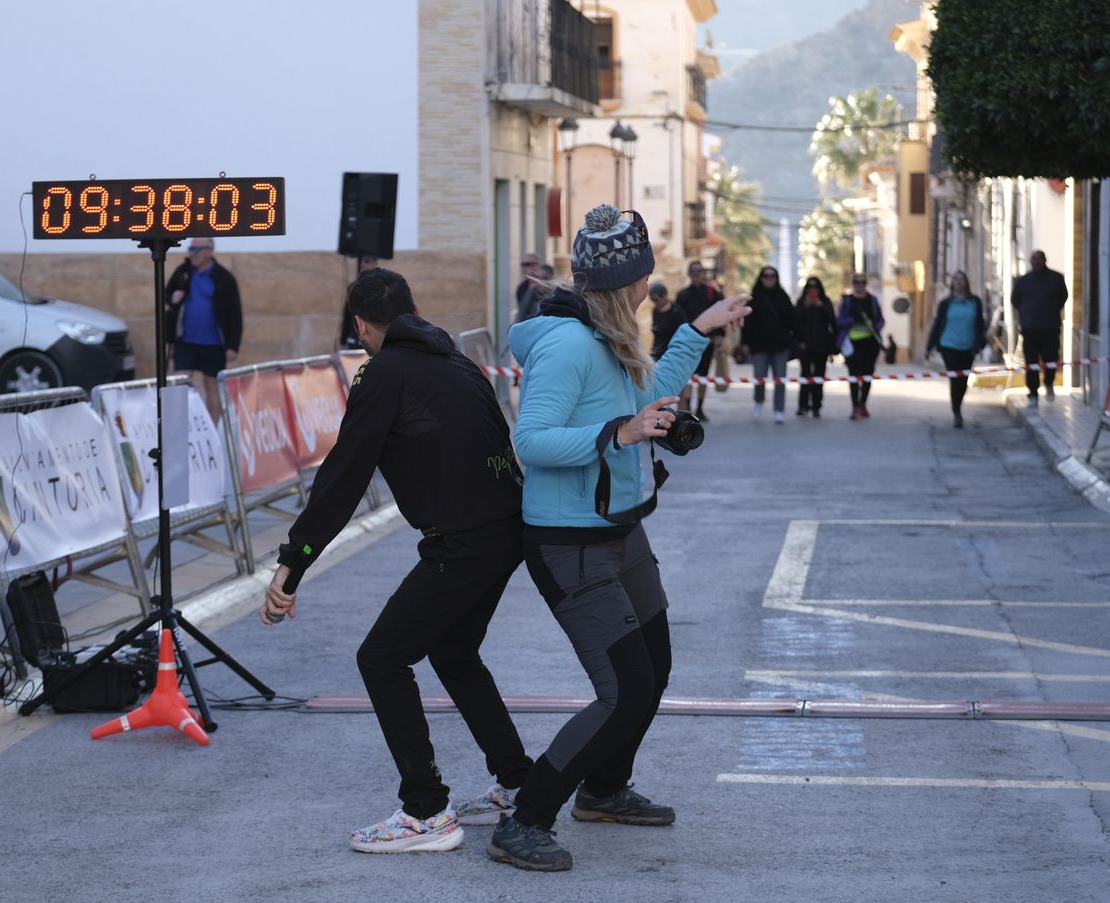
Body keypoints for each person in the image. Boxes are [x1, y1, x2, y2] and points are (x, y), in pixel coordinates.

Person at [495, 204, 747, 872]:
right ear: (621, 281)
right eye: (640, 278)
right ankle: (526, 818)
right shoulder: (570, 345)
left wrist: (696, 330)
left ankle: (604, 789)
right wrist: (618, 435)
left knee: (655, 667)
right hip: (568, 542)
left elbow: (650, 392)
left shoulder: (609, 334)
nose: (646, 288)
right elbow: (532, 440)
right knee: (623, 688)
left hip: (619, 529)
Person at [262, 268, 534, 855]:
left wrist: (293, 562)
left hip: (462, 540)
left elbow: (342, 476)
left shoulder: (382, 373)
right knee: (454, 652)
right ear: (412, 309)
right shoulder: (458, 360)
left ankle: (426, 811)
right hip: (506, 529)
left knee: (381, 658)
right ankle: (518, 781)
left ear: (361, 325)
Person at [164, 238, 242, 420]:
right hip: (186, 340)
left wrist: (233, 345)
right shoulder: (183, 272)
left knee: (212, 385)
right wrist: (172, 297)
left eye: (196, 249)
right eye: (190, 248)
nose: (192, 253)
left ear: (209, 251)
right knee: (179, 382)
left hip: (213, 342)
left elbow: (235, 313)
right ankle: (176, 426)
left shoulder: (224, 278)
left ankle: (212, 429)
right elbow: (168, 294)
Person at [925, 271, 989, 429]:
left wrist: (980, 344)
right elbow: (938, 324)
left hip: (968, 346)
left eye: (961, 279)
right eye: (955, 279)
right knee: (954, 378)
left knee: (964, 379)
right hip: (949, 345)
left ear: (966, 282)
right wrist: (929, 347)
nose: (958, 282)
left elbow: (980, 324)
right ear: (952, 283)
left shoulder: (975, 301)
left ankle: (958, 405)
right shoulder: (946, 303)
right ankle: (957, 412)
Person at [1010, 250, 1068, 406]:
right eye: (1033, 259)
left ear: (1044, 260)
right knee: (1031, 362)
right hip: (1030, 328)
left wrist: (1052, 309)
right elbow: (1015, 300)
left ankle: (1049, 383)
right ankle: (1033, 392)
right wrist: (1026, 314)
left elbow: (1063, 296)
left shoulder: (1056, 279)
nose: (1036, 262)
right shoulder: (1023, 281)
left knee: (1051, 359)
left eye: (1038, 259)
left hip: (1050, 327)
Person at [741, 266, 796, 424]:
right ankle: (758, 401)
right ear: (761, 278)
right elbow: (747, 323)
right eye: (766, 276)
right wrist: (744, 343)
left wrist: (800, 339)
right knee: (759, 377)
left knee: (780, 379)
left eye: (772, 276)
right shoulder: (754, 298)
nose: (769, 279)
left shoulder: (783, 297)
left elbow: (792, 320)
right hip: (759, 347)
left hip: (780, 346)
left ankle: (779, 410)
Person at [675, 261, 724, 421]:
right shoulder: (683, 295)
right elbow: (678, 319)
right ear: (689, 274)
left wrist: (720, 334)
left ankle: (700, 408)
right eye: (693, 271)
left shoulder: (712, 293)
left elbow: (721, 314)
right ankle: (687, 408)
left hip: (707, 341)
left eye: (699, 271)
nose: (697, 274)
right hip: (689, 341)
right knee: (688, 375)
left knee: (703, 375)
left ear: (703, 273)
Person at [836, 274, 885, 419]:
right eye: (856, 282)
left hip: (870, 343)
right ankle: (855, 406)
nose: (859, 285)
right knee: (854, 374)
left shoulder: (873, 300)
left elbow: (881, 320)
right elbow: (839, 321)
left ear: (866, 284)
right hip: (852, 343)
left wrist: (875, 327)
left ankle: (863, 404)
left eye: (862, 282)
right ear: (853, 284)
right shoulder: (847, 301)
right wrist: (852, 320)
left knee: (867, 374)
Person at [793, 276, 836, 418]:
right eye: (810, 287)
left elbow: (833, 322)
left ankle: (817, 406)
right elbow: (795, 322)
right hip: (805, 346)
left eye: (815, 287)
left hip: (822, 346)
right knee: (805, 375)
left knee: (819, 376)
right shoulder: (801, 303)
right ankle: (803, 405)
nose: (812, 290)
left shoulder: (825, 302)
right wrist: (805, 307)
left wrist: (821, 306)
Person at [337, 256, 380, 349]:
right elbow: (347, 315)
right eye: (361, 261)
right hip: (355, 339)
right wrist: (343, 340)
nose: (362, 265)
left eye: (367, 261)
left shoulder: (382, 288)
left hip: (375, 341)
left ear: (375, 263)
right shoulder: (353, 287)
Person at [647, 282, 687, 360]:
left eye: (656, 299)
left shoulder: (677, 311)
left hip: (672, 355)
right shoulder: (655, 311)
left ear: (664, 296)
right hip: (657, 354)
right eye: (652, 299)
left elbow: (683, 334)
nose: (654, 303)